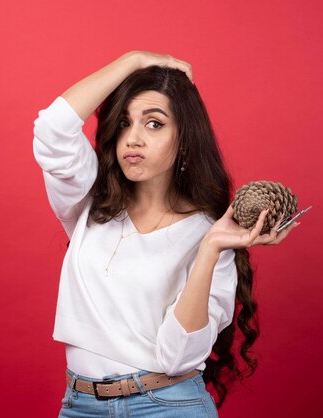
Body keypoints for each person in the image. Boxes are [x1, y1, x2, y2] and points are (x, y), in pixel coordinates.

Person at [32, 51, 299, 418]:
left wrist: (210, 249)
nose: (133, 139)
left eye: (154, 123)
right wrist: (133, 60)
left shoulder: (209, 233)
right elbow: (52, 129)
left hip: (166, 405)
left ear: (184, 139)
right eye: (124, 123)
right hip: (80, 406)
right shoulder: (90, 202)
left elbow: (178, 356)